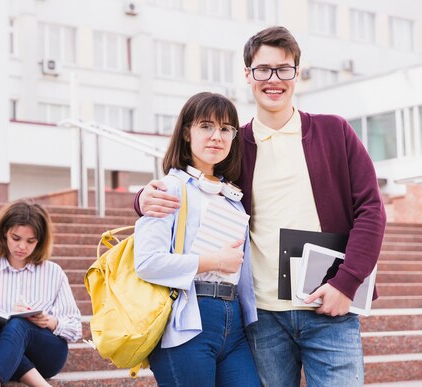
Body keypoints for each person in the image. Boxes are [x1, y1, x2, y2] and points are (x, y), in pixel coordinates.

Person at [135, 26, 386, 386]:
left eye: (284, 69)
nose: (273, 79)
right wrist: (143, 200)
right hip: (263, 317)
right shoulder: (235, 144)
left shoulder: (335, 131)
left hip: (330, 304)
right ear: (248, 75)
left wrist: (347, 283)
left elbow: (372, 211)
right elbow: (195, 185)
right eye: (263, 69)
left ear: (297, 73)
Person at [134, 92, 259, 386]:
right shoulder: (169, 188)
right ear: (187, 133)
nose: (217, 136)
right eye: (206, 126)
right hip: (187, 319)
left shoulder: (232, 197)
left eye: (226, 129)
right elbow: (148, 262)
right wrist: (214, 261)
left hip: (234, 321)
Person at [0, 200, 82, 387]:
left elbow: (76, 328)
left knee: (19, 323)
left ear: (39, 241)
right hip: (3, 354)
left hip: (46, 354)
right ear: (5, 232)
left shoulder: (53, 272)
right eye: (16, 238)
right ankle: (38, 383)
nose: (22, 247)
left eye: (30, 241)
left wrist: (49, 321)